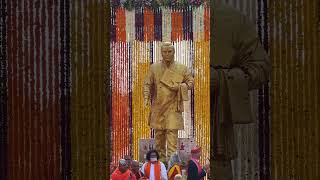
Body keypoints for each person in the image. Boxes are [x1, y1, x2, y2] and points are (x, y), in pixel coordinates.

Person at [210, 1, 271, 180]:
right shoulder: (144, 14)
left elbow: (261, 68)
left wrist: (221, 79)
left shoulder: (230, 19)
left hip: (215, 145)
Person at [144, 42, 194, 162]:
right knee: (159, 138)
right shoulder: (154, 68)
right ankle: (160, 164)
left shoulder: (182, 68)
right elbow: (147, 84)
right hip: (158, 106)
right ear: (161, 53)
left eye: (169, 51)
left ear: (174, 52)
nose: (167, 54)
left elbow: (191, 83)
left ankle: (172, 166)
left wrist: (180, 87)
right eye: (164, 52)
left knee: (172, 137)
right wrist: (146, 97)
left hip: (173, 107)